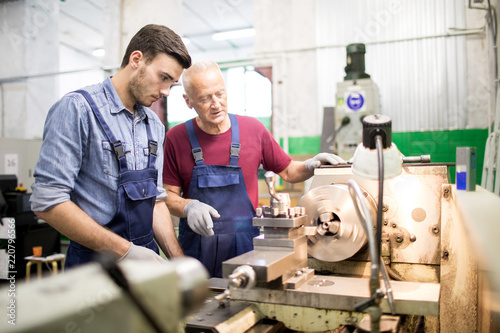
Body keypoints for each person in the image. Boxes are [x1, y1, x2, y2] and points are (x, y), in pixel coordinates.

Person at [163, 60, 345, 278]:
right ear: (188, 101)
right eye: (204, 98)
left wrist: (310, 165)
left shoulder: (254, 130)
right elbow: (167, 196)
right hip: (197, 254)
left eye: (220, 94)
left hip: (246, 250)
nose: (216, 104)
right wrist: (188, 206)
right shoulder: (176, 138)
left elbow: (288, 171)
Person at [30, 24, 191, 268]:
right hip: (94, 267)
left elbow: (156, 201)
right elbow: (47, 201)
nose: (166, 91)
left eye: (173, 84)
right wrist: (125, 251)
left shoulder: (154, 126)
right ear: (136, 59)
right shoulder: (77, 109)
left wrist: (179, 262)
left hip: (146, 264)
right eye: (163, 78)